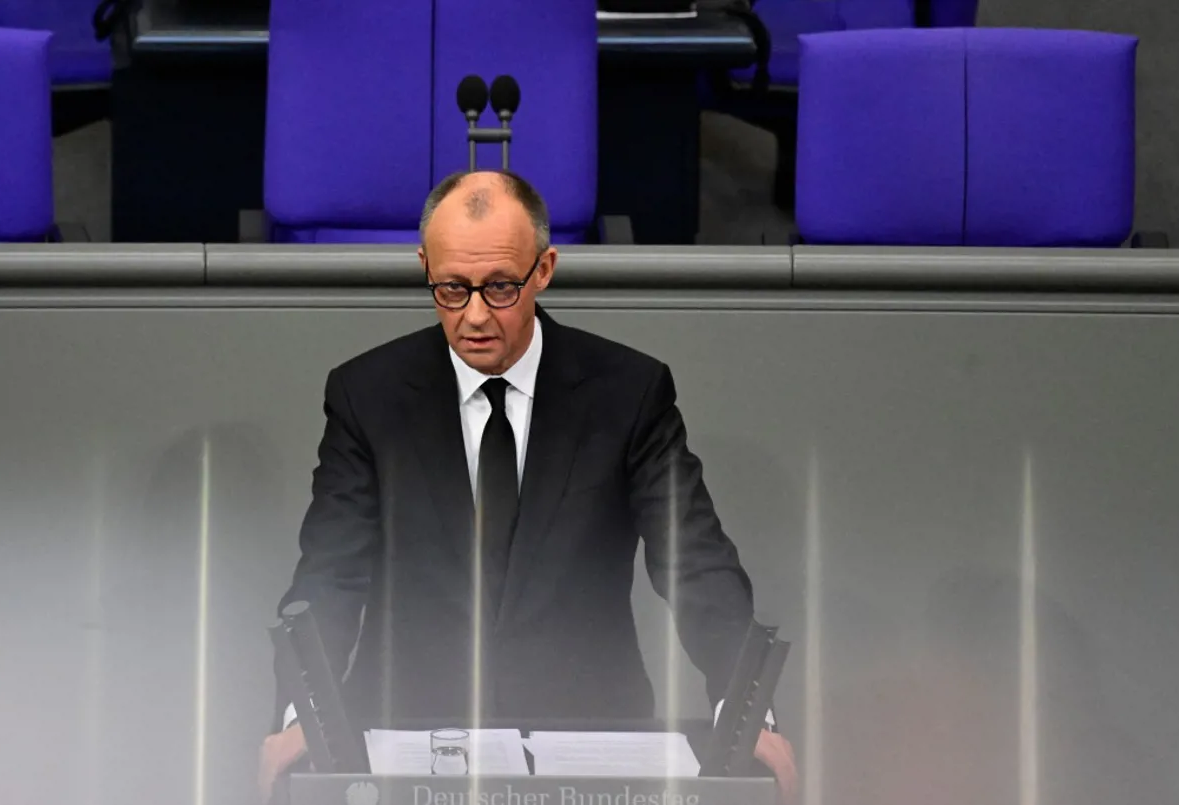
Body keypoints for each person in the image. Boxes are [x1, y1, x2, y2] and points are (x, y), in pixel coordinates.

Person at [259, 170, 797, 802]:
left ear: (544, 270)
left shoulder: (629, 394)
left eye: (500, 287)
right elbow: (330, 573)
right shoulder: (366, 396)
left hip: (590, 744)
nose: (475, 316)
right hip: (407, 736)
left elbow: (695, 561)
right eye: (452, 288)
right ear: (425, 267)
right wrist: (304, 715)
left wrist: (745, 712)